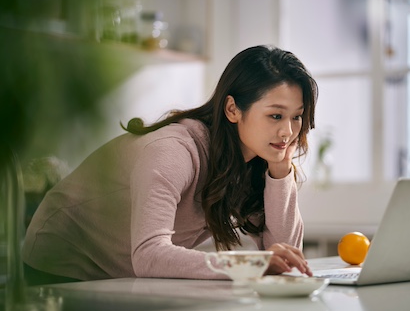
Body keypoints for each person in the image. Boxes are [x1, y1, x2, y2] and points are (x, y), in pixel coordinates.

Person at [22, 45, 318, 285]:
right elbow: (149, 254)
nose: (289, 132)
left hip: (126, 274)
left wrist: (280, 170)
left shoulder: (253, 163)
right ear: (232, 109)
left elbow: (286, 257)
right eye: (276, 116)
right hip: (63, 263)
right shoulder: (173, 150)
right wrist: (251, 264)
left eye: (297, 116)